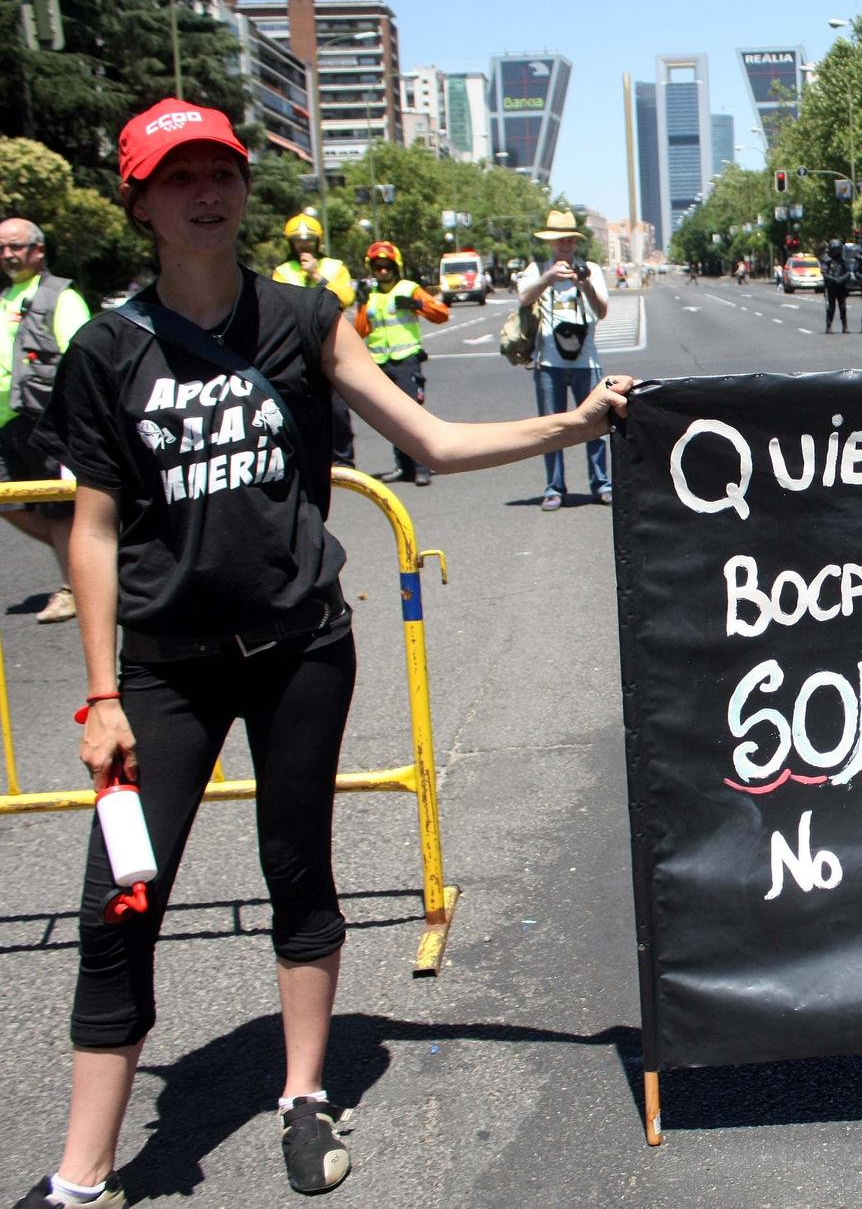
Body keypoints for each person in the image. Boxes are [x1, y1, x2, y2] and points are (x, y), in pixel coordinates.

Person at [15, 99, 636, 1209]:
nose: (206, 193)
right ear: (140, 202)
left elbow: (433, 442)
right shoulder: (108, 350)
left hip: (300, 647)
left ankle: (305, 1094)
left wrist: (576, 424)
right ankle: (82, 1172)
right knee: (120, 898)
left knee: (296, 866)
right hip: (161, 667)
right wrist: (100, 691)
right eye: (178, 178)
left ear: (245, 190)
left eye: (222, 172)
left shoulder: (307, 320)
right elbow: (95, 530)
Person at [0, 218, 91, 623]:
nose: (7, 254)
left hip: (44, 418)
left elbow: (81, 360)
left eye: (15, 246)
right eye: (2, 247)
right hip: (6, 421)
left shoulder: (59, 296)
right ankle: (85, 560)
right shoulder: (5, 297)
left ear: (38, 250)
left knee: (59, 509)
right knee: (9, 501)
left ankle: (73, 586)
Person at [515, 210, 612, 510]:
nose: (565, 245)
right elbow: (523, 297)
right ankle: (554, 488)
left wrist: (584, 285)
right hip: (549, 364)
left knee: (594, 425)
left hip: (587, 363)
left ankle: (601, 484)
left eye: (570, 239)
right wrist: (547, 278)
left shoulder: (590, 269)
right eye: (560, 240)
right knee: (552, 429)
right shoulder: (538, 269)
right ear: (551, 243)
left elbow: (602, 310)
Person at [355, 242, 449, 486]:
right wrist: (362, 305)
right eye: (378, 267)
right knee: (391, 417)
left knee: (412, 415)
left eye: (387, 266)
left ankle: (422, 466)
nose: (383, 271)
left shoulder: (410, 289)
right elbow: (360, 330)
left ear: (395, 266)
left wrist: (418, 305)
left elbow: (441, 314)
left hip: (406, 360)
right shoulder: (371, 295)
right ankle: (403, 466)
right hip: (379, 363)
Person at [270, 215, 358, 469]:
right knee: (299, 407)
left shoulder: (334, 267)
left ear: (318, 241)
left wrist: (316, 275)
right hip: (296, 347)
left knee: (337, 411)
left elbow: (346, 297)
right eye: (298, 241)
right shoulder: (283, 271)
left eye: (309, 240)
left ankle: (344, 462)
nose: (304, 246)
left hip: (329, 342)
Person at [821, 241, 851, 334]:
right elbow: (824, 273)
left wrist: (842, 279)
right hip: (831, 286)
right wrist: (834, 279)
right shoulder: (827, 260)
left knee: (843, 307)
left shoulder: (843, 260)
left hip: (841, 286)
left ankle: (845, 326)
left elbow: (848, 272)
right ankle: (828, 326)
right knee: (831, 308)